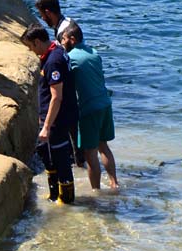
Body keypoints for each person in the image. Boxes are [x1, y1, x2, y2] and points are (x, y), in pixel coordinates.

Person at [21, 24, 78, 204]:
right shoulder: (54, 52)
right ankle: (54, 194)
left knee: (60, 157)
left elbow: (56, 97)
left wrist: (46, 126)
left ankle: (67, 200)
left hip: (57, 119)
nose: (31, 51)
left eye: (30, 46)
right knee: (45, 152)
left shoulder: (53, 60)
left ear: (37, 42)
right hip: (50, 116)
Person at [59, 22, 119, 190]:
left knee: (90, 152)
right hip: (105, 104)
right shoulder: (94, 52)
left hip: (89, 109)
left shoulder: (71, 58)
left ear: (72, 39)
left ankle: (96, 192)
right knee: (103, 146)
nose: (61, 43)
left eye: (63, 39)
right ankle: (115, 184)